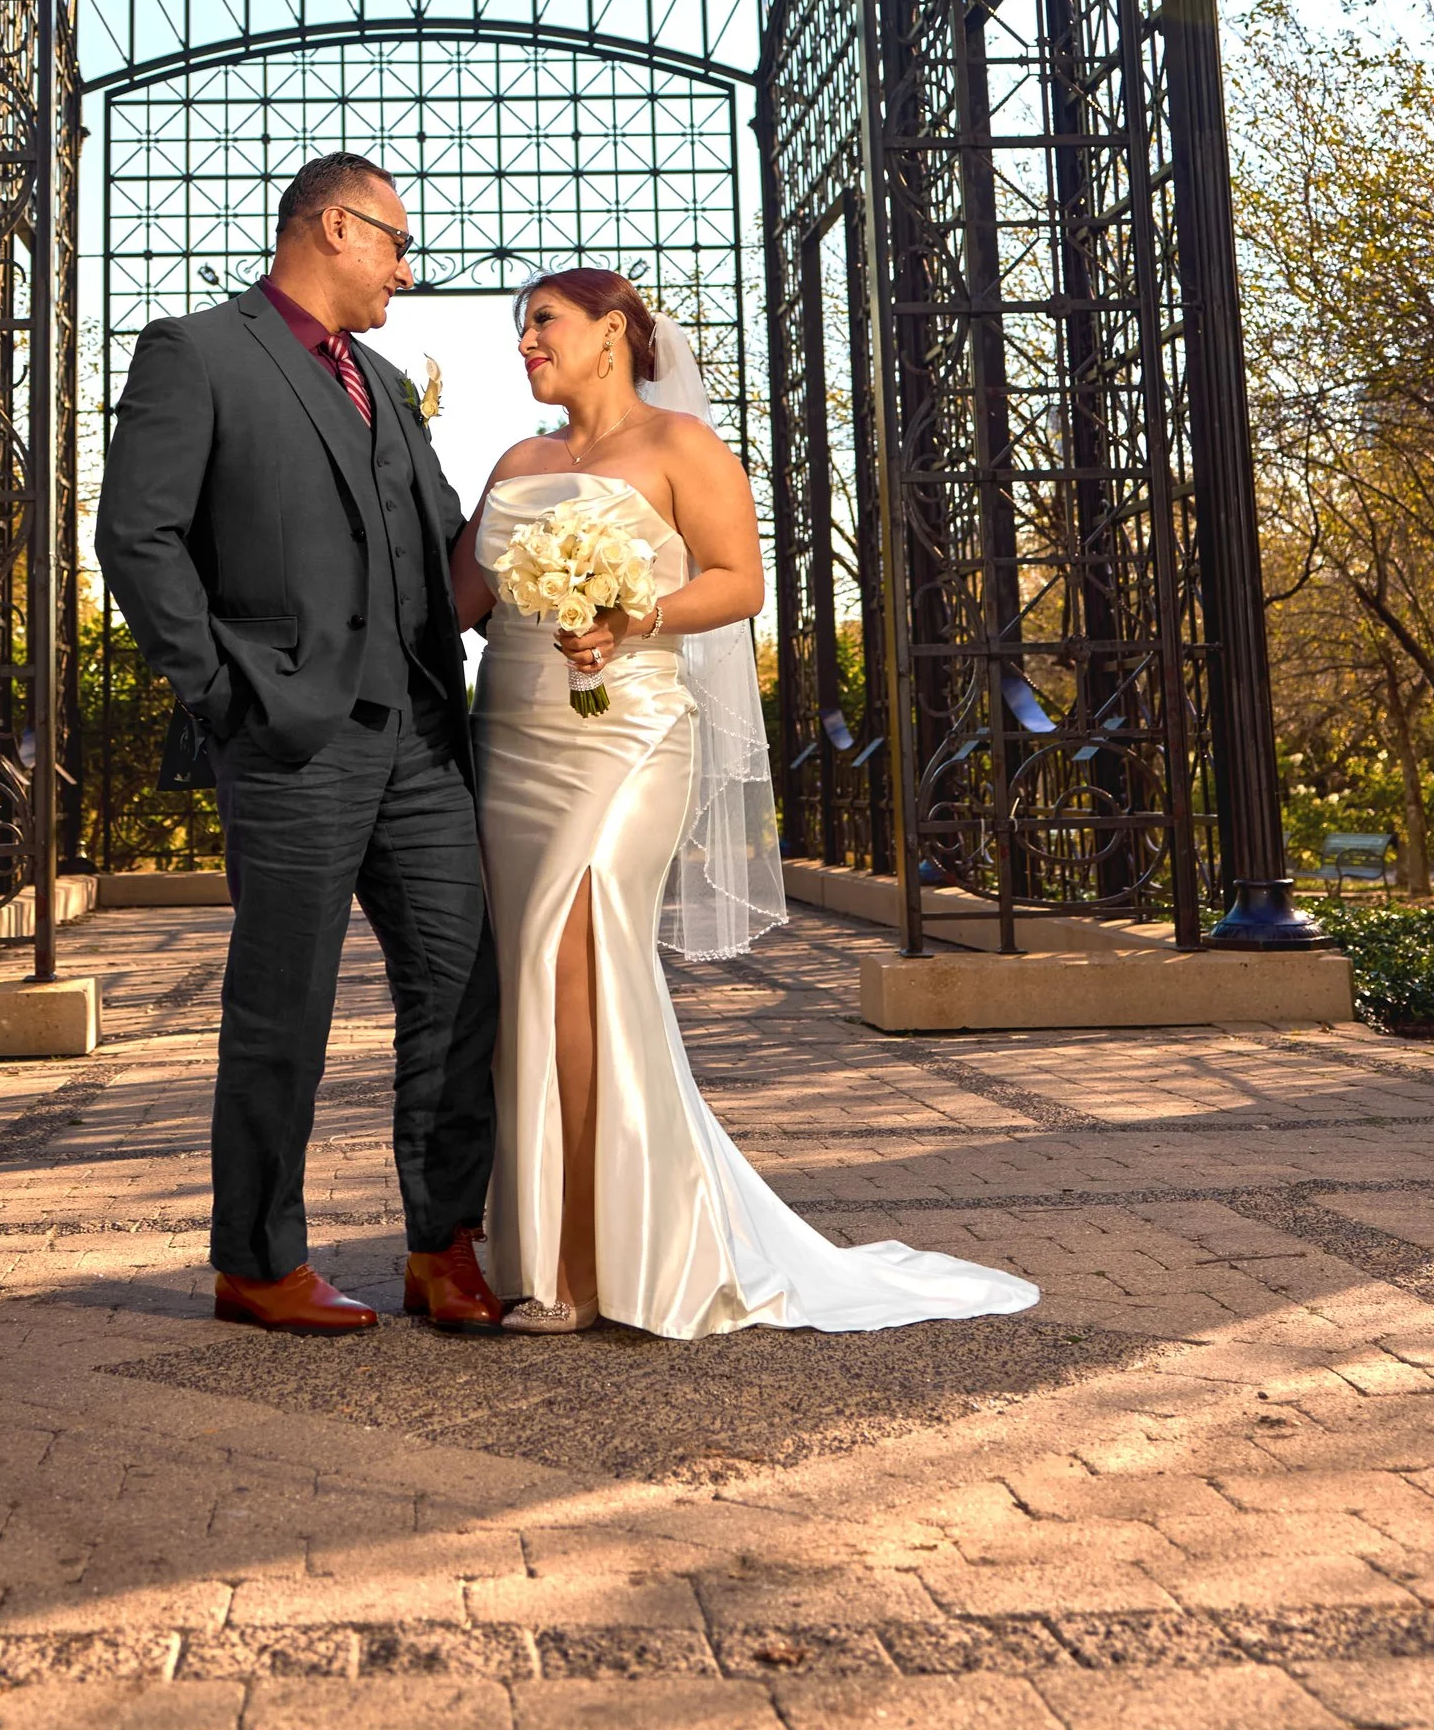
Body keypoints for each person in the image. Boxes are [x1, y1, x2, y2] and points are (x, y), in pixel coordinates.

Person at [452, 268, 1040, 1341]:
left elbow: (737, 582)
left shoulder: (681, 447)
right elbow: (460, 600)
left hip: (626, 737)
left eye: (541, 322)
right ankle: (555, 1239)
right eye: (520, 327)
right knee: (529, 980)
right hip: (514, 741)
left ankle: (586, 1264)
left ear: (612, 332)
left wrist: (633, 616)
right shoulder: (516, 462)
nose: (524, 342)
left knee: (577, 957)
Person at [95, 153, 503, 1336]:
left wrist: (553, 491)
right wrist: (225, 689)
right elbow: (139, 537)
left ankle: (443, 1245)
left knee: (459, 983)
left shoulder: (386, 381)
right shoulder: (198, 351)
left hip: (424, 738)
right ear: (333, 225)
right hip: (290, 741)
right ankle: (258, 1259)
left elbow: (439, 553)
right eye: (393, 242)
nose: (404, 269)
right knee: (288, 1000)